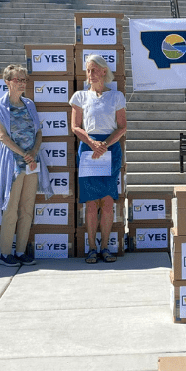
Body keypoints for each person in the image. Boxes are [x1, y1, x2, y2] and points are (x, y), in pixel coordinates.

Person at [0, 64, 53, 267]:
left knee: (27, 209)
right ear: (7, 82)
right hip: (12, 164)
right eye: (18, 80)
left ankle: (21, 251)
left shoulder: (30, 105)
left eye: (24, 80)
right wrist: (23, 154)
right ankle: (5, 253)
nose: (22, 83)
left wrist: (33, 153)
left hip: (31, 163)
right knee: (11, 208)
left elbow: (39, 132)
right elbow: (2, 136)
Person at [70, 54, 127, 264]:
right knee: (92, 204)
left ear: (104, 71)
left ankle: (105, 247)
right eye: (87, 70)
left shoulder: (117, 96)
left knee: (109, 202)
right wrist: (93, 143)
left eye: (94, 70)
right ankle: (92, 248)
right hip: (88, 150)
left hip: (110, 150)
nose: (90, 74)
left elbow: (122, 126)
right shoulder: (79, 97)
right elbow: (75, 126)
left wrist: (105, 145)